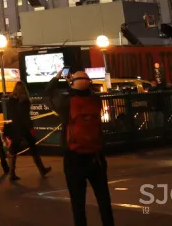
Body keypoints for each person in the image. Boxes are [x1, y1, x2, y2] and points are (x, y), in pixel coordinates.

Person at [45, 69, 114, 226]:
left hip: (74, 157)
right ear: (89, 83)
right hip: (96, 156)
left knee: (78, 203)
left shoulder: (66, 102)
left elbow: (47, 93)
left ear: (72, 84)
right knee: (103, 199)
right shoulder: (96, 100)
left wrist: (58, 77)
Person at [4, 81, 52, 181]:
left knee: (14, 149)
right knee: (33, 147)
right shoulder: (25, 101)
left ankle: (12, 173)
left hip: (14, 127)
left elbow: (9, 115)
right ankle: (41, 169)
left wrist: (8, 128)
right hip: (24, 128)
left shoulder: (10, 100)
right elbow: (26, 117)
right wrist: (31, 128)